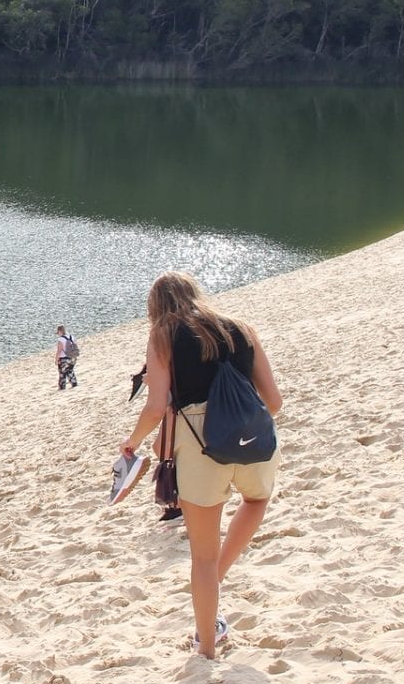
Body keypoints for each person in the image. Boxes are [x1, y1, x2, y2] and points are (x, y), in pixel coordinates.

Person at [120, 271, 283, 660]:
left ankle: (206, 646)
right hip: (253, 441)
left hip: (201, 448)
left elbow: (157, 405)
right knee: (257, 501)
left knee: (203, 558)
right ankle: (216, 582)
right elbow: (273, 401)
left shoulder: (163, 336)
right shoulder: (241, 329)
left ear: (155, 307)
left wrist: (134, 441)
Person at [56, 325, 79, 389]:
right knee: (70, 371)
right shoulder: (72, 337)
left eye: (58, 332)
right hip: (72, 357)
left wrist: (56, 359)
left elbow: (59, 350)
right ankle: (74, 384)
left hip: (64, 359)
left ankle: (62, 387)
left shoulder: (61, 339)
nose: (58, 334)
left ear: (60, 331)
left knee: (62, 373)